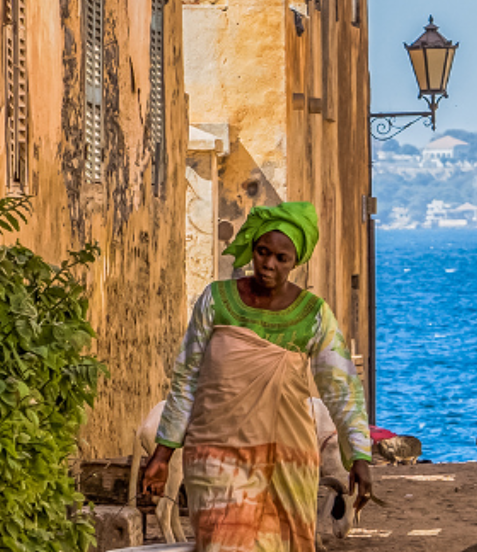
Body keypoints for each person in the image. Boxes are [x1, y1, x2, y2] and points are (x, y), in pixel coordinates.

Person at [139, 203, 375, 552]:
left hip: (287, 463)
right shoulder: (215, 301)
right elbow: (186, 381)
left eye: (282, 258)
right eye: (263, 252)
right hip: (215, 460)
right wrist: (162, 455)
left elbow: (342, 390)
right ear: (252, 249)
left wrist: (359, 458)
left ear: (295, 261)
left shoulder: (314, 315)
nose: (269, 264)